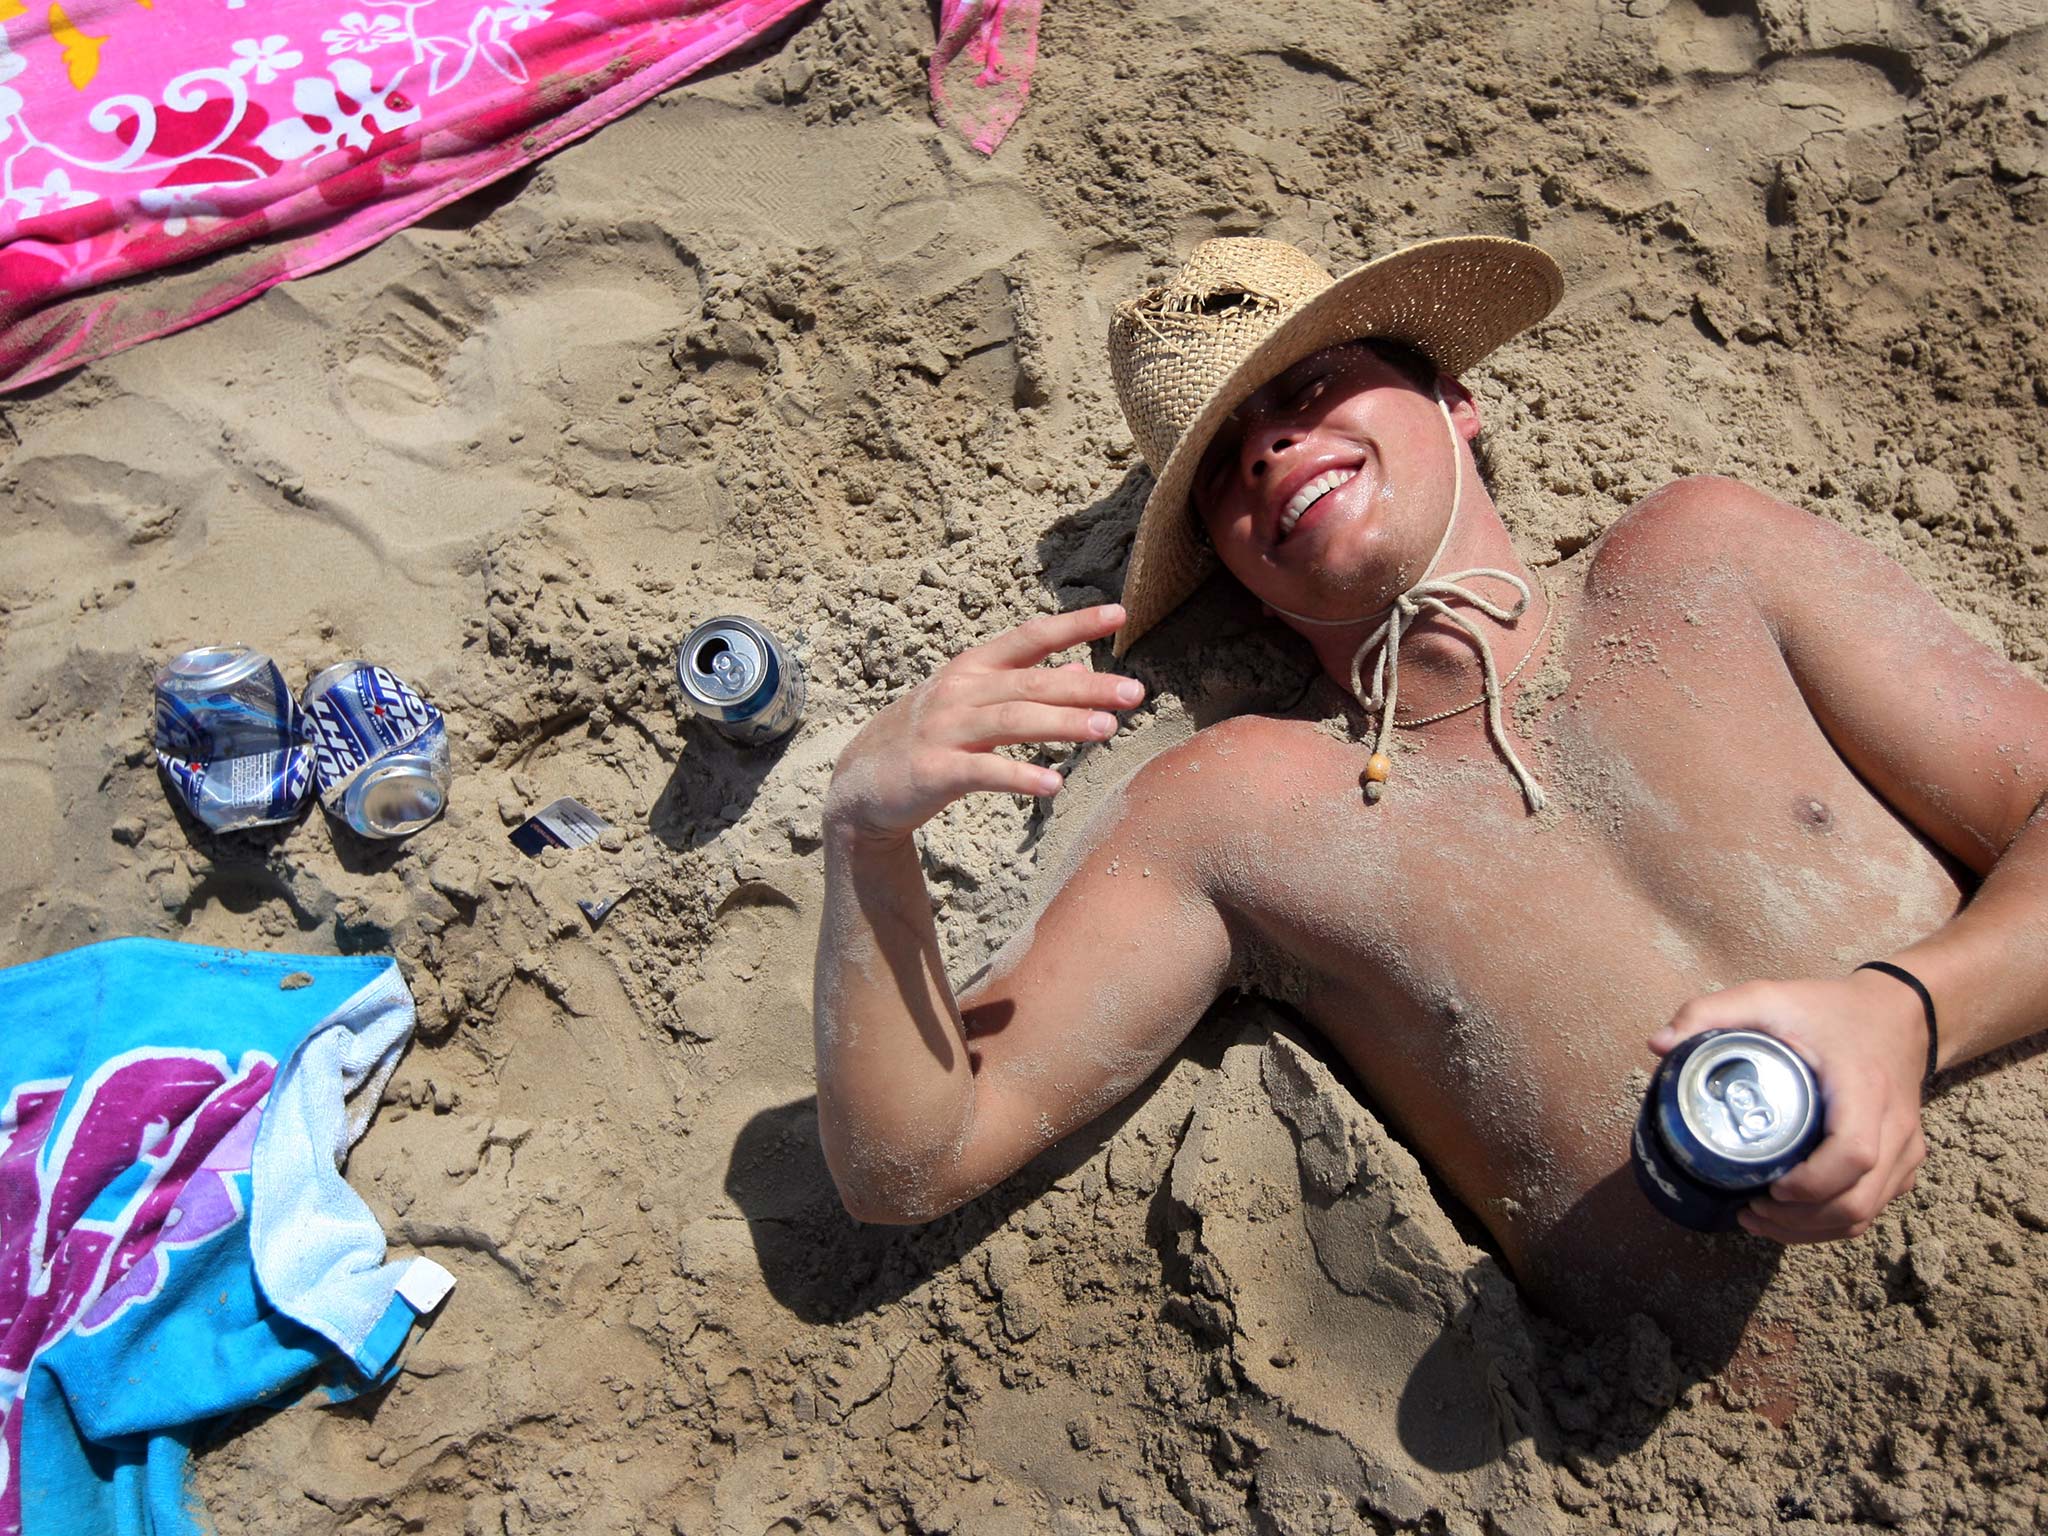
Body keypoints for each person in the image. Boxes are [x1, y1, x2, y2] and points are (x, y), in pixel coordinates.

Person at [809, 235, 2048, 1347]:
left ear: (1454, 401)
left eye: (1303, 391)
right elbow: (913, 1161)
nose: (1272, 447)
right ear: (1238, 574)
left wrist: (1908, 1015)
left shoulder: (1703, 563)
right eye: (1225, 467)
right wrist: (866, 841)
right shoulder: (1238, 814)